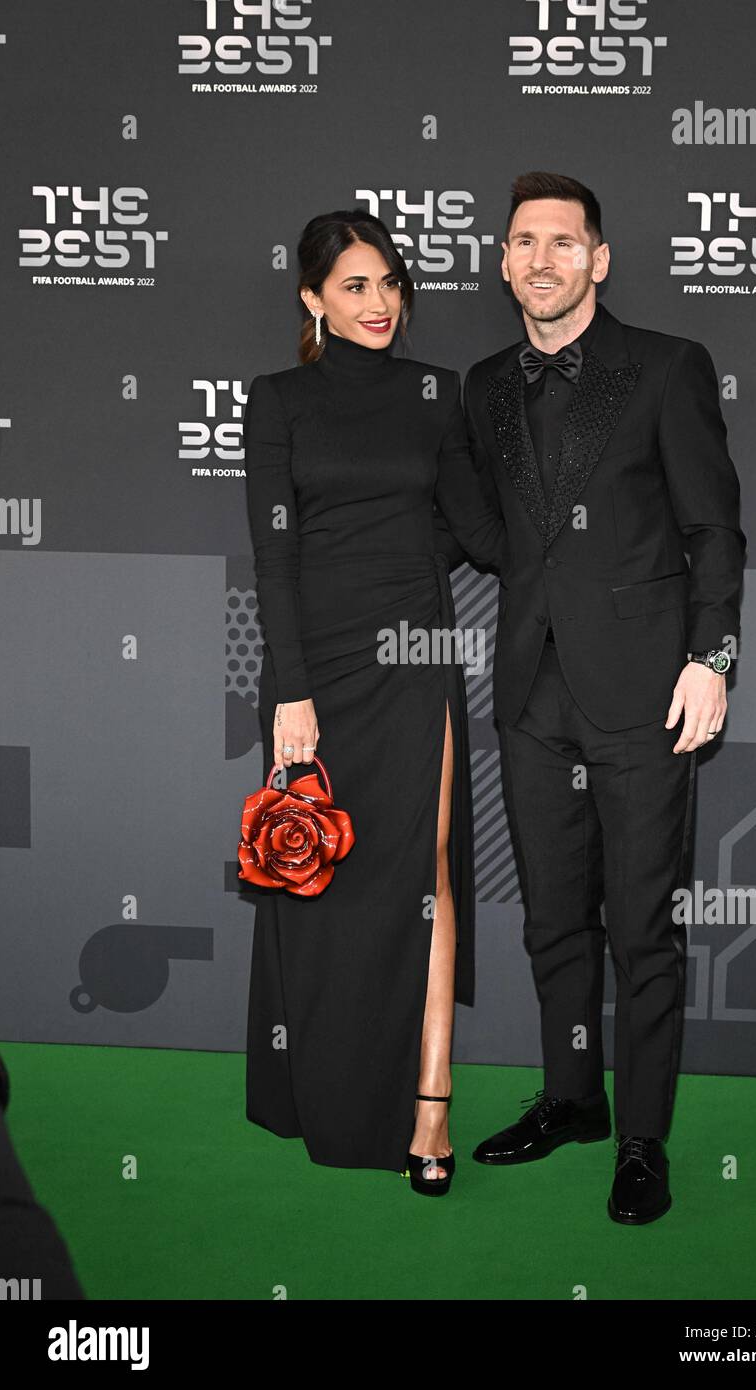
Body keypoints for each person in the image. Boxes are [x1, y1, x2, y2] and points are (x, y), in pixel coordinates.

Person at [465, 171, 746, 1223]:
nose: (542, 258)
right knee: (550, 921)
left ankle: (641, 1140)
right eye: (524, 241)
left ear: (599, 259)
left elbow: (713, 528)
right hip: (531, 694)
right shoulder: (484, 385)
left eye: (563, 242)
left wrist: (709, 657)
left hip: (644, 693)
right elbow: (490, 525)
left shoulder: (666, 369)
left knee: (641, 927)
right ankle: (573, 1098)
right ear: (501, 261)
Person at [241, 209, 506, 1195]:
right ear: (312, 299)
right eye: (353, 286)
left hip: (413, 657)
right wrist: (288, 691)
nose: (378, 303)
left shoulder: (435, 393)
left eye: (389, 282)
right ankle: (324, 1086)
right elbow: (275, 553)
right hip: (321, 665)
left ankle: (428, 1105)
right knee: (324, 887)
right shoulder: (278, 400)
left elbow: (474, 528)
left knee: (423, 873)